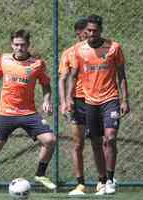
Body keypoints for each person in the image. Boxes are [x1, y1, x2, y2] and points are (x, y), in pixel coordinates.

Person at [0, 29, 57, 198]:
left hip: (28, 113)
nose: (19, 48)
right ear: (12, 45)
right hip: (5, 113)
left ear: (28, 45)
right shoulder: (4, 59)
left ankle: (40, 174)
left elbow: (46, 84)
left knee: (50, 140)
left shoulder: (37, 64)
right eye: (16, 44)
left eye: (23, 45)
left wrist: (47, 100)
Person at [67, 14, 130, 195]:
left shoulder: (114, 48)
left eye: (95, 30)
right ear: (85, 31)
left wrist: (125, 100)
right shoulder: (79, 50)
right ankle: (102, 180)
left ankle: (110, 179)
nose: (92, 33)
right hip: (90, 102)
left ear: (101, 30)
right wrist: (70, 98)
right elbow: (72, 76)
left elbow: (122, 76)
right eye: (89, 31)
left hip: (110, 100)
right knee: (95, 142)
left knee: (109, 138)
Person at [58, 17, 89, 196]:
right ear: (79, 33)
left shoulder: (101, 51)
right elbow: (62, 79)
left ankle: (105, 180)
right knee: (78, 144)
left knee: (101, 141)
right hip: (77, 101)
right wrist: (64, 102)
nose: (87, 35)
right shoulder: (69, 53)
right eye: (84, 33)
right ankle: (80, 184)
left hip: (98, 100)